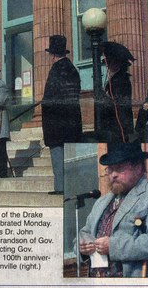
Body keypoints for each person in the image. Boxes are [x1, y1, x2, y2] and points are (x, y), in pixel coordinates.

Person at [78, 143, 148, 278]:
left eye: (119, 169)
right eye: (109, 169)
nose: (112, 175)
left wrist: (113, 246)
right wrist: (82, 248)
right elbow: (84, 232)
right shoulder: (102, 202)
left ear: (138, 168)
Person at [41, 35, 82, 195]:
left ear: (52, 54)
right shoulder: (72, 69)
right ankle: (70, 186)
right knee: (70, 157)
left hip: (57, 124)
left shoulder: (56, 70)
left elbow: (51, 98)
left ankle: (60, 187)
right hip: (72, 122)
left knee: (58, 156)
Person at [101, 42, 134, 142]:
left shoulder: (120, 79)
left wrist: (105, 98)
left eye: (109, 61)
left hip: (119, 123)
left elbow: (118, 102)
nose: (107, 64)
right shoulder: (115, 78)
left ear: (117, 63)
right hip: (116, 122)